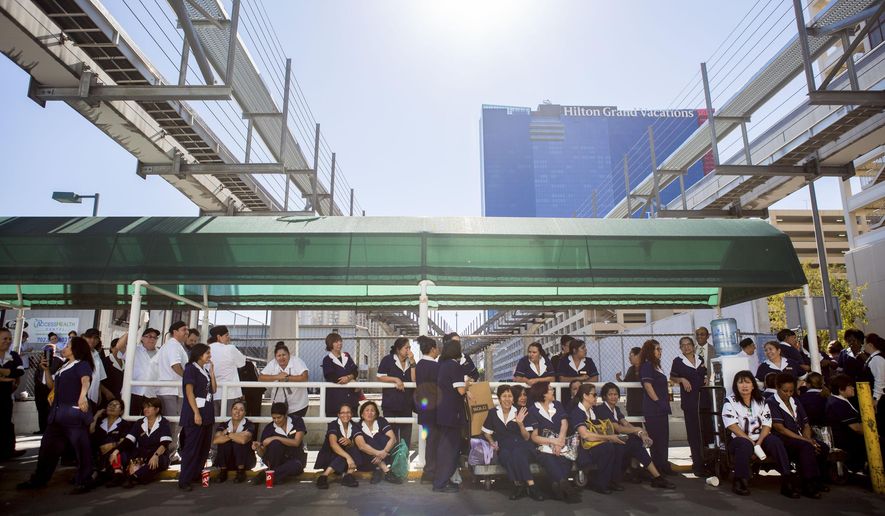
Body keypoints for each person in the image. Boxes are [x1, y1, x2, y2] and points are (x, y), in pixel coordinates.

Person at [17, 337, 94, 493]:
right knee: (47, 449)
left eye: (67, 346)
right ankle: (39, 479)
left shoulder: (82, 364)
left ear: (75, 349)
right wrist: (46, 370)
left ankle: (85, 480)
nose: (64, 348)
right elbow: (52, 386)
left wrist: (82, 396)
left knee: (81, 449)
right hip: (57, 415)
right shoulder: (63, 366)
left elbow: (86, 380)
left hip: (73, 414)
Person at [721, 370, 797, 498]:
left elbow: (767, 424)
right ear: (735, 385)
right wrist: (751, 442)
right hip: (739, 439)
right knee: (745, 445)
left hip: (760, 439)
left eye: (747, 382)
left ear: (753, 385)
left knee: (775, 441)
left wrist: (759, 443)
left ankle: (787, 479)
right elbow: (732, 425)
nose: (744, 386)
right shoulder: (730, 401)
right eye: (740, 383)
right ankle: (740, 480)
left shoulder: (761, 400)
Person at [596, 382, 674, 488]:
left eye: (615, 394)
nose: (613, 397)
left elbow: (625, 423)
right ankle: (654, 476)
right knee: (634, 443)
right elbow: (618, 428)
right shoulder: (602, 409)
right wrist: (637, 430)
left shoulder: (615, 409)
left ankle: (641, 472)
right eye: (610, 394)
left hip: (615, 440)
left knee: (636, 440)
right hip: (606, 443)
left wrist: (640, 432)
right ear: (604, 396)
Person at [767, 373, 828, 498]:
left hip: (800, 438)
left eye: (791, 391)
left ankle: (817, 479)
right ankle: (808, 483)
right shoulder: (771, 402)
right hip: (784, 439)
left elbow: (806, 424)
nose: (789, 394)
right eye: (785, 391)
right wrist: (805, 441)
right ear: (778, 388)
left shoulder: (795, 401)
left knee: (823, 447)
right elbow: (780, 429)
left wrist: (809, 439)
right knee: (806, 447)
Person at [481, 384, 542, 500]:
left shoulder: (521, 411)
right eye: (504, 396)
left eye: (510, 396)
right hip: (504, 446)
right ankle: (524, 486)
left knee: (517, 454)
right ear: (499, 398)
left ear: (513, 399)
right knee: (505, 455)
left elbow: (526, 437)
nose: (507, 399)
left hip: (522, 445)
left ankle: (527, 485)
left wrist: (520, 424)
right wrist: (492, 442)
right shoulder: (493, 413)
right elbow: (486, 432)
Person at [526, 381, 581, 503]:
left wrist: (560, 441)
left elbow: (564, 423)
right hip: (543, 445)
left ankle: (557, 486)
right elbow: (534, 437)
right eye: (550, 389)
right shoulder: (533, 410)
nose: (553, 391)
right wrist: (553, 442)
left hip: (560, 442)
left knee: (565, 459)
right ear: (544, 394)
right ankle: (564, 485)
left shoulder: (557, 404)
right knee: (548, 458)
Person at [569, 383, 624, 495]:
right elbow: (585, 435)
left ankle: (611, 480)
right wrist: (609, 437)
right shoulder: (577, 412)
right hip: (582, 448)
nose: (596, 397)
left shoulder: (593, 411)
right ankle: (600, 483)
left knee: (620, 447)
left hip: (593, 444)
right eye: (594, 395)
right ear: (585, 396)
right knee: (608, 448)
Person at [177, 343, 216, 491]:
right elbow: (189, 392)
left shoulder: (204, 370)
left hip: (207, 412)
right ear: (199, 354)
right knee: (192, 447)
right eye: (207, 353)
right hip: (196, 413)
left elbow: (213, 389)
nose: (209, 356)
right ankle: (184, 479)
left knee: (203, 447)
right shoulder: (190, 369)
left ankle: (195, 474)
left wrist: (212, 373)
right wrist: (196, 413)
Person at [433, 336, 469, 493]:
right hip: (453, 413)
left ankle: (442, 480)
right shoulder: (455, 367)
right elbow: (461, 390)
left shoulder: (442, 365)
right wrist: (468, 383)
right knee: (450, 449)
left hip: (443, 413)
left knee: (444, 448)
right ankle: (441, 483)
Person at [113, 397, 172, 488]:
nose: (145, 409)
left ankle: (133, 478)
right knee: (122, 453)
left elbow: (164, 444)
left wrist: (156, 455)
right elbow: (128, 440)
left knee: (155, 463)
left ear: (157, 409)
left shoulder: (164, 423)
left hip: (158, 454)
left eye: (149, 407)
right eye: (144, 407)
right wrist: (116, 451)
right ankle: (119, 476)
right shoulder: (139, 423)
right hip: (141, 454)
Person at [670, 336, 707, 477]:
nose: (686, 347)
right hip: (690, 401)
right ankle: (697, 464)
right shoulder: (678, 361)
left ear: (693, 345)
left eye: (688, 344)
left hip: (703, 400)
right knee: (693, 433)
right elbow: (672, 377)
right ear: (680, 348)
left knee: (704, 432)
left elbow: (704, 375)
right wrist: (682, 379)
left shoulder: (700, 359)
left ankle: (706, 462)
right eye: (683, 345)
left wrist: (705, 378)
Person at [155, 321, 189, 461]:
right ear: (175, 331)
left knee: (176, 423)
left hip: (174, 390)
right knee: (172, 423)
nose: (186, 332)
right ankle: (168, 454)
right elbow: (175, 366)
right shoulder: (173, 345)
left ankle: (170, 453)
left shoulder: (174, 346)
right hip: (170, 390)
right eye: (183, 330)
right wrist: (188, 379)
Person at [253, 402, 306, 486]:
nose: (276, 420)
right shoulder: (269, 428)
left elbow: (296, 442)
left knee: (295, 465)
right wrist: (258, 448)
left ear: (285, 415)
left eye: (279, 417)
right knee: (275, 444)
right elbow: (263, 454)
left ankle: (266, 473)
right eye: (274, 418)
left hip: (295, 459)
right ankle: (276, 476)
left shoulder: (297, 421)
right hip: (276, 461)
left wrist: (276, 437)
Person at [376, 337, 415, 449]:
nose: (408, 350)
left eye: (410, 347)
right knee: (391, 436)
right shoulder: (388, 360)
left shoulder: (410, 361)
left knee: (405, 437)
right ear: (398, 349)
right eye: (406, 347)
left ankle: (403, 462)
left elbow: (414, 380)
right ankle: (391, 461)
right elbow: (380, 376)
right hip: (391, 404)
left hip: (407, 404)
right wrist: (395, 379)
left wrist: (412, 362)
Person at [639, 339, 671, 474]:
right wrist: (658, 401)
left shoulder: (657, 366)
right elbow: (647, 385)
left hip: (662, 407)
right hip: (653, 408)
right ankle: (657, 468)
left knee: (663, 438)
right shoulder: (647, 366)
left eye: (660, 349)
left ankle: (664, 466)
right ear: (650, 351)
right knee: (656, 440)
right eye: (657, 349)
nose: (660, 352)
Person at [354, 401, 403, 485]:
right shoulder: (357, 426)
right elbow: (362, 446)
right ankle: (386, 471)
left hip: (385, 456)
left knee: (381, 437)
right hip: (366, 461)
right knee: (368, 441)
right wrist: (380, 454)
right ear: (362, 414)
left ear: (376, 414)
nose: (370, 413)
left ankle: (377, 470)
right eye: (367, 410)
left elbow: (393, 439)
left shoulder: (381, 421)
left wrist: (385, 452)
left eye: (372, 410)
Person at [825, 374, 866, 473]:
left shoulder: (841, 400)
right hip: (848, 441)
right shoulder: (838, 404)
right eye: (850, 386)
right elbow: (856, 428)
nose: (853, 388)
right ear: (841, 389)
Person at [315, 403, 362, 489]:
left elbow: (357, 443)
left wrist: (350, 442)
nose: (346, 415)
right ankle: (324, 475)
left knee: (353, 448)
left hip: (345, 464)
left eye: (348, 412)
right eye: (343, 412)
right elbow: (333, 445)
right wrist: (348, 458)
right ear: (338, 415)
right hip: (330, 459)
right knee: (346, 453)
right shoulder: (333, 424)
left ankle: (348, 476)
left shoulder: (354, 426)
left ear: (351, 414)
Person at [414, 336, 440, 484]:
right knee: (435, 442)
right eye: (436, 348)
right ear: (432, 349)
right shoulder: (435, 366)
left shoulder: (419, 365)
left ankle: (428, 472)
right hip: (435, 410)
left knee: (430, 441)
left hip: (424, 410)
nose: (437, 351)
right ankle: (431, 472)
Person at [258, 341, 309, 418]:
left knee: (294, 428)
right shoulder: (273, 363)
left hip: (298, 405)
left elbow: (305, 377)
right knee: (279, 428)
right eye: (279, 356)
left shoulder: (296, 361)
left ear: (289, 355)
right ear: (275, 357)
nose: (281, 358)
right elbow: (261, 378)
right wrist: (277, 377)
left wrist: (287, 378)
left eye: (284, 355)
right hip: (278, 405)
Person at [213, 400, 256, 483]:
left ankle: (241, 472)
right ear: (231, 410)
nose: (237, 412)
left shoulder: (249, 424)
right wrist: (237, 435)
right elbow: (216, 440)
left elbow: (243, 440)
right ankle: (223, 472)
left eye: (241, 410)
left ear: (245, 413)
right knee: (224, 442)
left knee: (238, 442)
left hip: (245, 461)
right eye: (235, 408)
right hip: (229, 461)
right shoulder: (223, 424)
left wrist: (227, 433)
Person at [207, 325, 247, 417]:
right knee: (229, 423)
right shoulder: (230, 348)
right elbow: (242, 363)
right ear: (218, 337)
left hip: (212, 393)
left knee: (214, 423)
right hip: (230, 393)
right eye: (226, 335)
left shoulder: (206, 349)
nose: (229, 338)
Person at [89, 398, 130, 486]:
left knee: (116, 450)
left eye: (115, 405)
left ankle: (116, 474)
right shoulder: (100, 422)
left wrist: (112, 445)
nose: (112, 407)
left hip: (116, 453)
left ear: (121, 411)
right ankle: (101, 475)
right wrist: (96, 415)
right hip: (100, 453)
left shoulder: (124, 424)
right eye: (110, 405)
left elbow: (124, 441)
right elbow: (91, 431)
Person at [0, 328, 25, 460]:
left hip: (6, 395)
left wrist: (3, 372)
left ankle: (8, 450)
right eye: (5, 338)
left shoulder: (13, 355)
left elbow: (20, 371)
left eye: (10, 339)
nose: (8, 341)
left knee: (6, 422)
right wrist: (8, 373)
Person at [321, 332, 359, 418]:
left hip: (351, 398)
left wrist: (349, 377)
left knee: (353, 425)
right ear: (330, 344)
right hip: (335, 399)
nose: (339, 343)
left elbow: (355, 371)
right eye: (336, 342)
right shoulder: (327, 360)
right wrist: (348, 379)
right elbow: (330, 376)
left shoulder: (347, 356)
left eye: (340, 341)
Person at [556, 339, 599, 407]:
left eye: (585, 347)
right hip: (566, 398)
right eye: (583, 348)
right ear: (574, 350)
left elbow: (595, 378)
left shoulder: (589, 361)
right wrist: (580, 378)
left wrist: (578, 382)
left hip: (585, 398)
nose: (585, 350)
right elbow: (562, 379)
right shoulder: (563, 361)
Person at [33, 339, 63, 434]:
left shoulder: (59, 361)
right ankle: (42, 429)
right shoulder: (42, 360)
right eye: (48, 350)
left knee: (50, 408)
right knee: (40, 408)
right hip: (40, 387)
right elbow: (37, 372)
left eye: (52, 350)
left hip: (51, 387)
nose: (50, 352)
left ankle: (49, 429)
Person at [860, 333, 885, 443]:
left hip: (880, 399)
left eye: (865, 344)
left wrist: (875, 398)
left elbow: (879, 380)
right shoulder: (873, 358)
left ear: (870, 345)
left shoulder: (877, 359)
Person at [130, 328, 160, 417]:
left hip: (152, 393)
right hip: (135, 391)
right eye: (149, 336)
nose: (152, 339)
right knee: (132, 417)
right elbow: (119, 346)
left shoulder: (160, 353)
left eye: (155, 337)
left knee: (149, 419)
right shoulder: (134, 350)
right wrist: (135, 328)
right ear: (142, 338)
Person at [82, 328, 111, 411]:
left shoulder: (96, 355)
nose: (92, 340)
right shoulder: (78, 353)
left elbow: (98, 378)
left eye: (95, 338)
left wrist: (99, 394)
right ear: (84, 338)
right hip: (79, 396)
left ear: (98, 341)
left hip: (92, 397)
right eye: (89, 337)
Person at [616, 347, 643, 417]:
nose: (629, 358)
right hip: (632, 405)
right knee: (634, 427)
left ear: (639, 355)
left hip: (644, 405)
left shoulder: (646, 368)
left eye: (631, 355)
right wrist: (618, 378)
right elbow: (625, 384)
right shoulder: (630, 369)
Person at [101, 335, 126, 405]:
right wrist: (106, 392)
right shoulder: (105, 361)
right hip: (108, 398)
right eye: (118, 348)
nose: (120, 350)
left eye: (123, 348)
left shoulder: (127, 362)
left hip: (122, 398)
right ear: (111, 348)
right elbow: (98, 381)